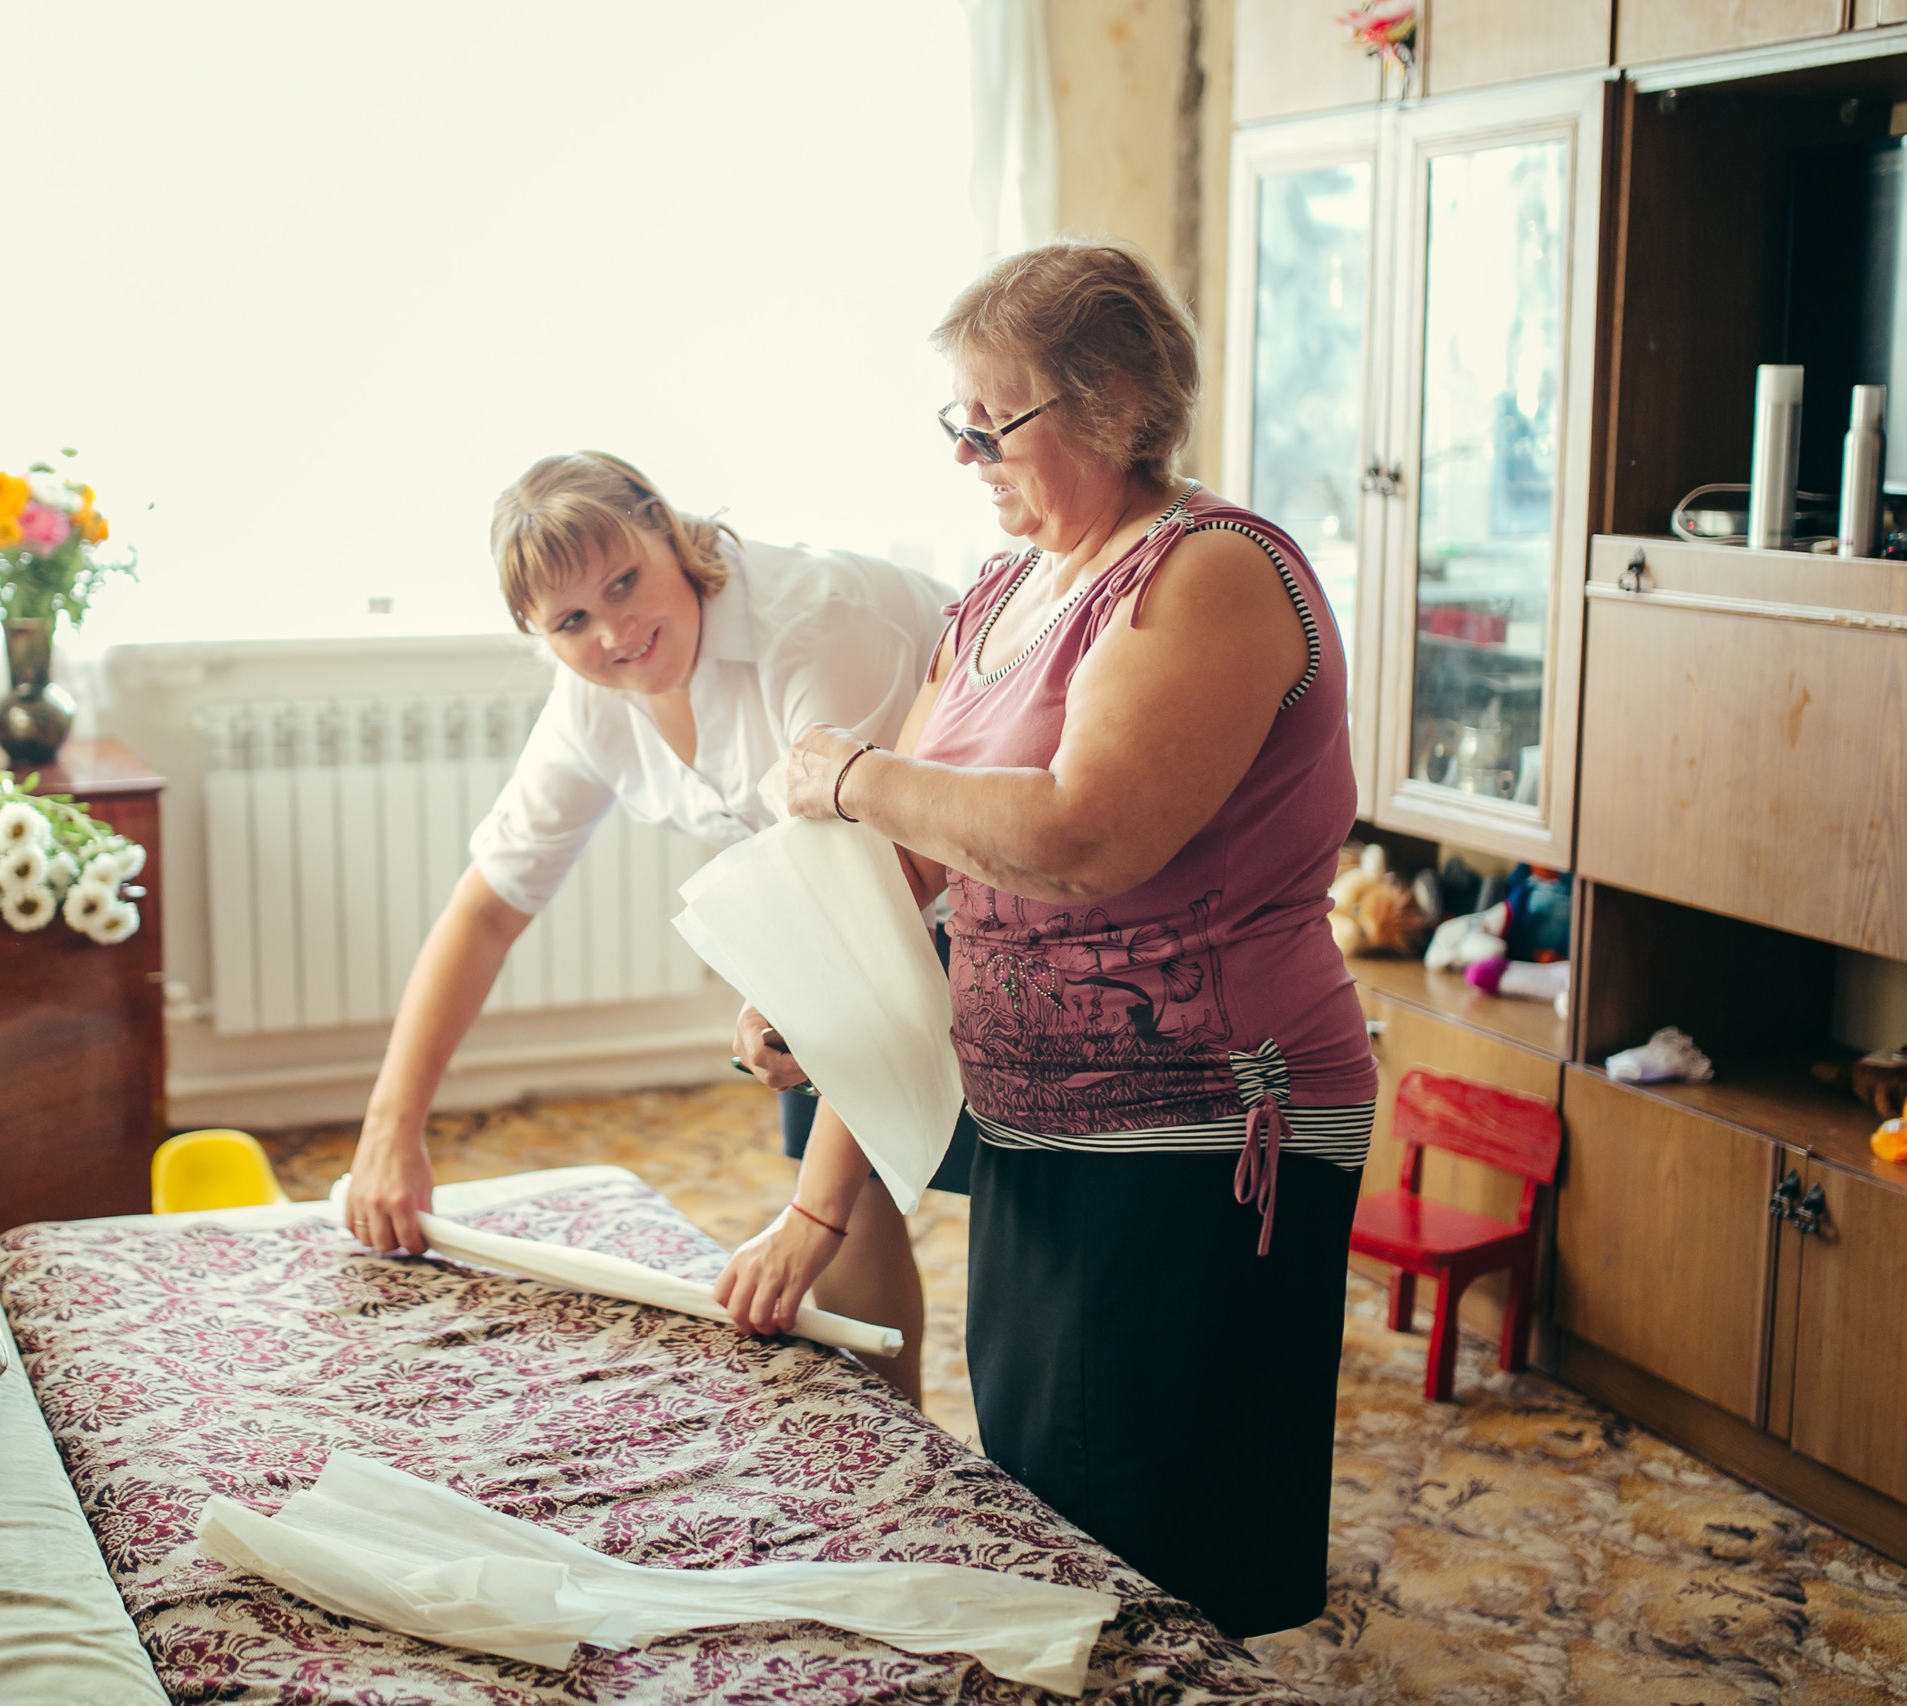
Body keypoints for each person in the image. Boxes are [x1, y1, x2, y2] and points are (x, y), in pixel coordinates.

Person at [717, 241, 1374, 1639]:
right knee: (1050, 1498)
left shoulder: (1210, 573)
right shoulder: (1003, 587)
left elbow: (1083, 834)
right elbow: (923, 841)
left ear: (1119, 405)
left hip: (1207, 1125)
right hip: (1037, 1119)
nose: (963, 450)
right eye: (951, 419)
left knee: (1152, 1534)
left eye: (990, 419)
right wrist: (806, 976)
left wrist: (843, 771)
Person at [343, 451, 973, 1405]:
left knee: (960, 1208)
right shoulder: (591, 702)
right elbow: (487, 909)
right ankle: (894, 1453)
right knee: (855, 1177)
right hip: (839, 895)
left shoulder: (816, 626)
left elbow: (879, 898)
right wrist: (391, 1130)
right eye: (571, 622)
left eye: (625, 581)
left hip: (998, 889)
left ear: (667, 527)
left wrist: (807, 1218)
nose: (616, 633)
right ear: (537, 633)